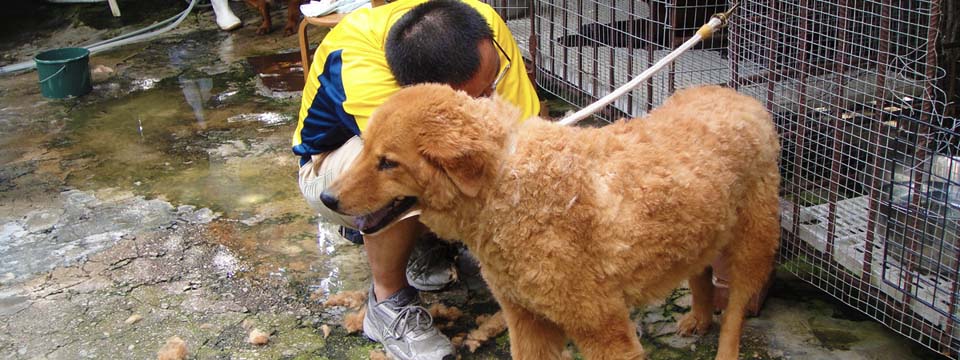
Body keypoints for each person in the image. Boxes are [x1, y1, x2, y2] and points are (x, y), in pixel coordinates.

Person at [292, 0, 539, 358]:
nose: (490, 100)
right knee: (414, 173)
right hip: (336, 168)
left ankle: (428, 244)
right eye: (476, 97)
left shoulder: (481, 27)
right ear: (427, 93)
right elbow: (404, 163)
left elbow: (524, 131)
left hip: (415, 144)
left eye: (491, 85)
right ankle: (387, 301)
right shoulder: (360, 63)